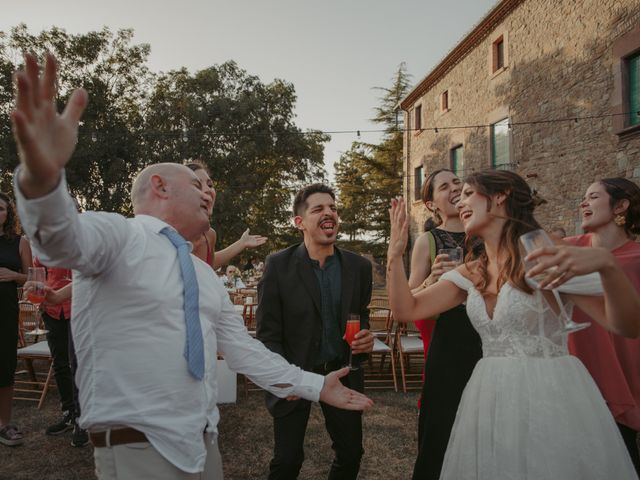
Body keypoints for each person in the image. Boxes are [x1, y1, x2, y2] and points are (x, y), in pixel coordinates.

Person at [11, 52, 372, 479]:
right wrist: (42, 178)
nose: (209, 194)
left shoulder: (202, 273)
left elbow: (244, 350)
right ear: (159, 187)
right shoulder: (118, 237)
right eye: (197, 184)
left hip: (203, 446)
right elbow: (56, 241)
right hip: (136, 450)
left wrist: (315, 386)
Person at [387, 170, 640, 479]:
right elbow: (406, 309)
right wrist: (395, 252)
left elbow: (627, 326)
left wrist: (609, 266)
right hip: (489, 395)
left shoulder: (545, 258)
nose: (460, 200)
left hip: (549, 394)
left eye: (468, 193)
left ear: (500, 195)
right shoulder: (472, 272)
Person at [256, 183, 375, 480]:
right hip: (295, 372)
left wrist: (365, 339)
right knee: (287, 460)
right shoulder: (278, 266)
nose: (329, 213)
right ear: (299, 222)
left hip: (341, 373)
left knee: (350, 454)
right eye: (319, 208)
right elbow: (268, 333)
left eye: (333, 208)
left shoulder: (358, 267)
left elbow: (361, 318)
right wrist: (285, 378)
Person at [406, 169, 482, 480]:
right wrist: (431, 281)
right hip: (448, 346)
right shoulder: (428, 240)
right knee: (443, 429)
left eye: (457, 182)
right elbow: (409, 302)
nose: (455, 188)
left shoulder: (483, 233)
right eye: (444, 186)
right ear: (431, 204)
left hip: (487, 342)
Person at [564, 177, 640, 474]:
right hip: (574, 375)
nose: (584, 202)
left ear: (621, 205)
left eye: (593, 197)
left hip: (625, 374)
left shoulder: (637, 258)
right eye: (584, 197)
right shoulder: (566, 249)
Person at [32, 258, 87, 447]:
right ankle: (69, 413)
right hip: (52, 309)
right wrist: (38, 292)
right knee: (60, 363)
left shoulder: (78, 240)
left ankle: (82, 419)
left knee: (78, 364)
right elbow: (38, 274)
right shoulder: (44, 247)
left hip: (77, 308)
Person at [185, 161, 267, 268]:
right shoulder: (168, 233)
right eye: (197, 185)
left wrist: (242, 243)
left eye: (210, 185)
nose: (208, 190)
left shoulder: (210, 235)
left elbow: (208, 265)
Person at [0, 192, 31, 447]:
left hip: (5, 312)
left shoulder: (20, 242)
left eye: (0, 209)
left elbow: (34, 279)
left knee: (5, 367)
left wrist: (13, 275)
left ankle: (5, 424)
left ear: (7, 213)